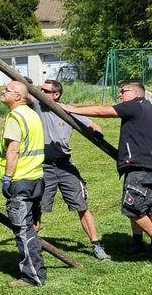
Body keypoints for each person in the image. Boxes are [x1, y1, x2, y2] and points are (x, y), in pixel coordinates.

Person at [62, 81, 152, 264]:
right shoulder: (149, 111)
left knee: (132, 209)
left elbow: (103, 111)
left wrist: (71, 109)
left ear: (137, 93)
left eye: (123, 91)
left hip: (142, 169)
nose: (120, 95)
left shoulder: (137, 105)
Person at [33, 79, 111, 261]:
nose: (40, 92)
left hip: (66, 166)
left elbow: (92, 124)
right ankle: (31, 244)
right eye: (40, 89)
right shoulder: (37, 106)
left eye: (45, 91)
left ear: (56, 94)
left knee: (81, 205)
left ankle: (96, 245)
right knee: (38, 206)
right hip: (45, 166)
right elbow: (25, 93)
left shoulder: (66, 110)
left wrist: (97, 131)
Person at [0, 81, 46, 288]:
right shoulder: (32, 115)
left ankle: (33, 276)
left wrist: (8, 178)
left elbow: (14, 149)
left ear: (18, 96)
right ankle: (35, 271)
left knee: (23, 230)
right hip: (36, 178)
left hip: (21, 181)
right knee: (31, 228)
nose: (3, 91)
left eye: (7, 90)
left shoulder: (15, 117)